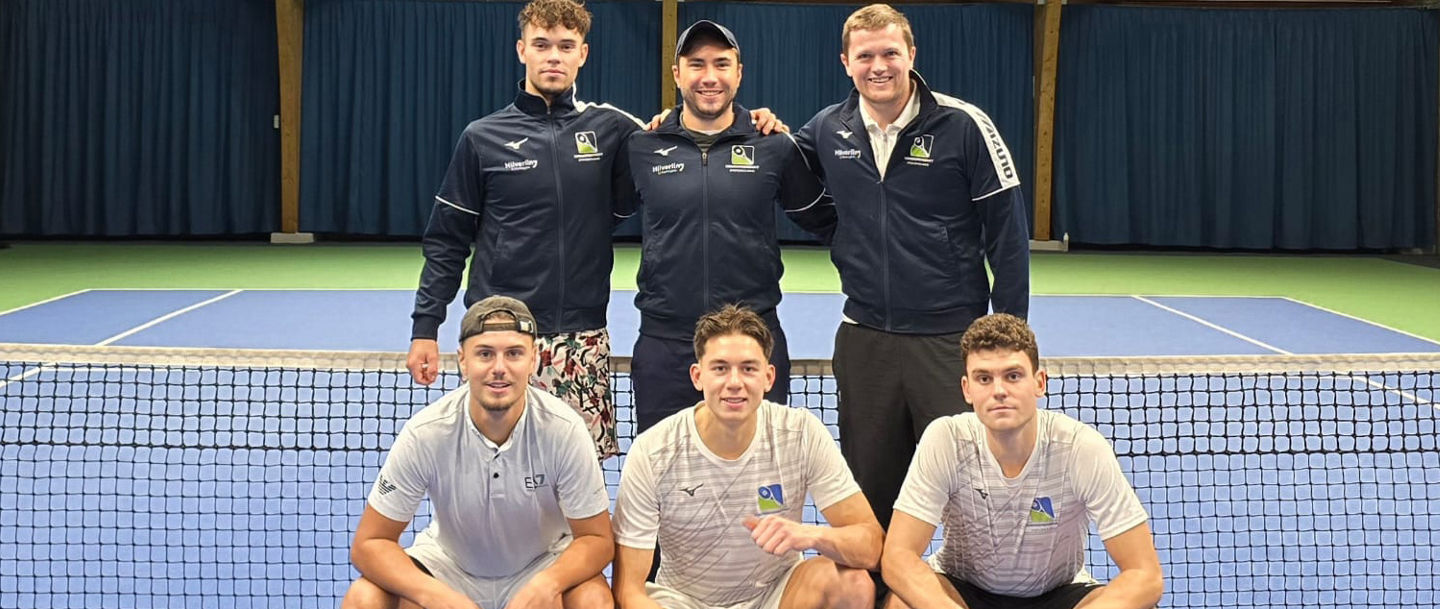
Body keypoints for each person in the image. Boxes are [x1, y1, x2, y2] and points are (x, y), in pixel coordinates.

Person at [408, 0, 789, 459]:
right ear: (521, 50)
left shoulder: (613, 129)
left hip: (583, 337)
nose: (553, 56)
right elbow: (448, 239)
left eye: (565, 46)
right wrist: (426, 326)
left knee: (578, 474)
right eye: (542, 45)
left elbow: (677, 136)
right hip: (502, 335)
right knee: (495, 465)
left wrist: (755, 122)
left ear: (582, 54)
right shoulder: (481, 138)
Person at [794, 3, 1032, 532]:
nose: (878, 66)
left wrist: (1008, 337)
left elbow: (1008, 236)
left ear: (911, 55)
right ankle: (880, 589)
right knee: (869, 491)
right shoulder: (828, 128)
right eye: (865, 56)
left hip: (949, 341)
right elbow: (782, 175)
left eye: (889, 53)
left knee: (973, 491)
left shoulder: (965, 125)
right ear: (845, 62)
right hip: (865, 342)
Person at [624, 20, 835, 432]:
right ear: (676, 73)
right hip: (665, 347)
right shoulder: (641, 147)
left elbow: (830, 223)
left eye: (721, 64)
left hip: (754, 344)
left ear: (739, 72)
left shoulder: (774, 146)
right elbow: (595, 218)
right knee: (664, 482)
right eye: (697, 64)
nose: (709, 77)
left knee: (761, 485)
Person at [344, 296, 614, 609]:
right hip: (448, 568)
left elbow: (597, 540)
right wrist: (436, 596)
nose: (499, 368)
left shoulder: (564, 429)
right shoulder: (426, 432)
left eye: (513, 353)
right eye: (485, 354)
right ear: (463, 360)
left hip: (542, 563)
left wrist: (546, 584)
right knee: (364, 598)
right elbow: (370, 543)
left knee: (593, 600)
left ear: (534, 360)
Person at [881, 313, 1163, 609]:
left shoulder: (1081, 448)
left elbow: (1145, 575)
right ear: (967, 389)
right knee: (901, 603)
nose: (999, 390)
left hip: (1058, 592)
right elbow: (898, 557)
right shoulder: (946, 439)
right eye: (984, 378)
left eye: (1013, 376)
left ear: (1039, 382)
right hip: (962, 589)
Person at [612, 304, 881, 609]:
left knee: (852, 584)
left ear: (768, 377)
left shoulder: (803, 433)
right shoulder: (652, 452)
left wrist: (812, 535)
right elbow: (628, 590)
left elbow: (870, 546)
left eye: (748, 368)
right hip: (683, 601)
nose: (735, 382)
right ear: (698, 376)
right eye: (720, 368)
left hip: (777, 595)